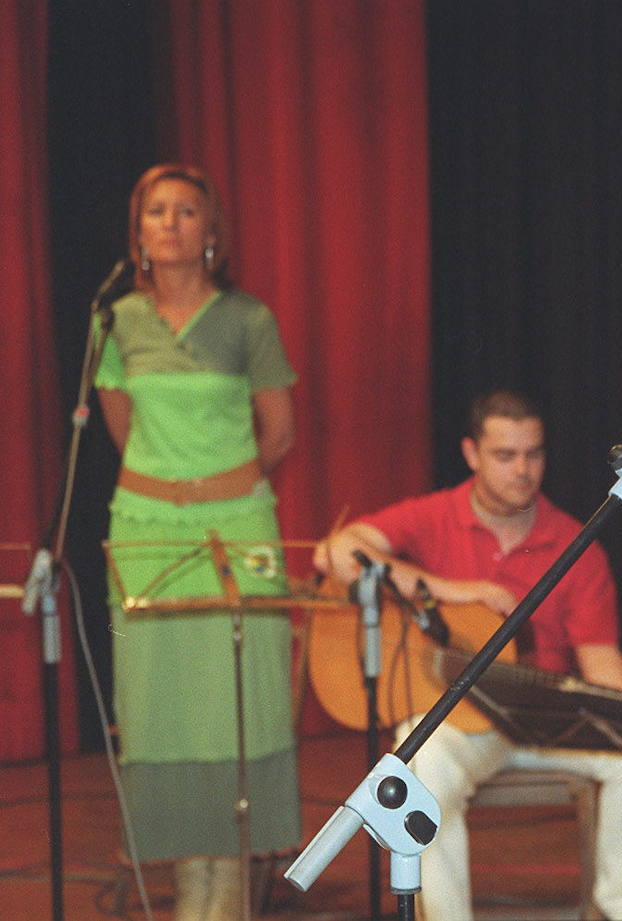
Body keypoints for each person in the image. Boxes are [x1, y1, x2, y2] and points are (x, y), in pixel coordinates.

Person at [313, 389, 622, 921]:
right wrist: (457, 591)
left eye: (534, 454)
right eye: (505, 456)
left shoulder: (575, 542)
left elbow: (601, 660)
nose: (523, 470)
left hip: (545, 719)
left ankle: (620, 914)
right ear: (471, 454)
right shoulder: (435, 515)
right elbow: (336, 552)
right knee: (416, 765)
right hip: (462, 720)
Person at [96, 164, 299, 920]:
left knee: (236, 703)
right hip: (146, 529)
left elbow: (279, 433)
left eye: (188, 211)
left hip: (236, 525)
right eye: (158, 211)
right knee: (163, 708)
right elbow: (122, 430)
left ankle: (232, 883)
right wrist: (169, 488)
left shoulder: (248, 318)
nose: (172, 223)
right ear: (139, 232)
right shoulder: (114, 320)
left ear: (212, 231)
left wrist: (212, 488)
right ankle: (190, 886)